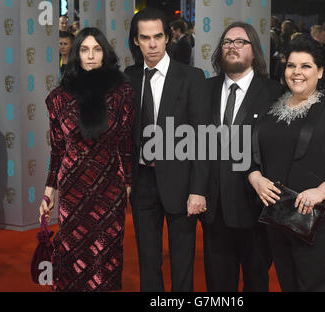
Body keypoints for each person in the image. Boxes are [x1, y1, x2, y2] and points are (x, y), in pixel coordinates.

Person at [248, 35, 325, 291]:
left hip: (321, 220)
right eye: (291, 66)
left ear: (320, 71)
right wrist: (255, 177)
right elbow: (254, 156)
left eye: (306, 66)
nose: (296, 73)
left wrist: (319, 192)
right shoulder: (271, 109)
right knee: (288, 284)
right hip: (279, 216)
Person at [39, 27, 134, 292]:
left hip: (109, 190)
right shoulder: (58, 99)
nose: (90, 55)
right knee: (72, 254)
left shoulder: (122, 93)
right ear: (75, 55)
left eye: (96, 49)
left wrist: (127, 183)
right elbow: (57, 150)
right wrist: (49, 192)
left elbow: (126, 143)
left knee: (106, 255)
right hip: (72, 190)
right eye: (84, 49)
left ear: (105, 53)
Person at [125, 7, 211, 292]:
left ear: (167, 38)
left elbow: (201, 139)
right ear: (136, 40)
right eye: (145, 37)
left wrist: (198, 189)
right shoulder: (129, 77)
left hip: (182, 182)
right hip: (142, 182)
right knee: (148, 261)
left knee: (182, 260)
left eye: (157, 36)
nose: (152, 44)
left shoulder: (192, 77)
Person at [202, 22, 281, 292]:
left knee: (256, 281)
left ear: (254, 50)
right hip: (214, 210)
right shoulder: (204, 90)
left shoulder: (274, 94)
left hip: (255, 208)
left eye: (240, 42)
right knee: (217, 285)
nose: (232, 46)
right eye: (226, 42)